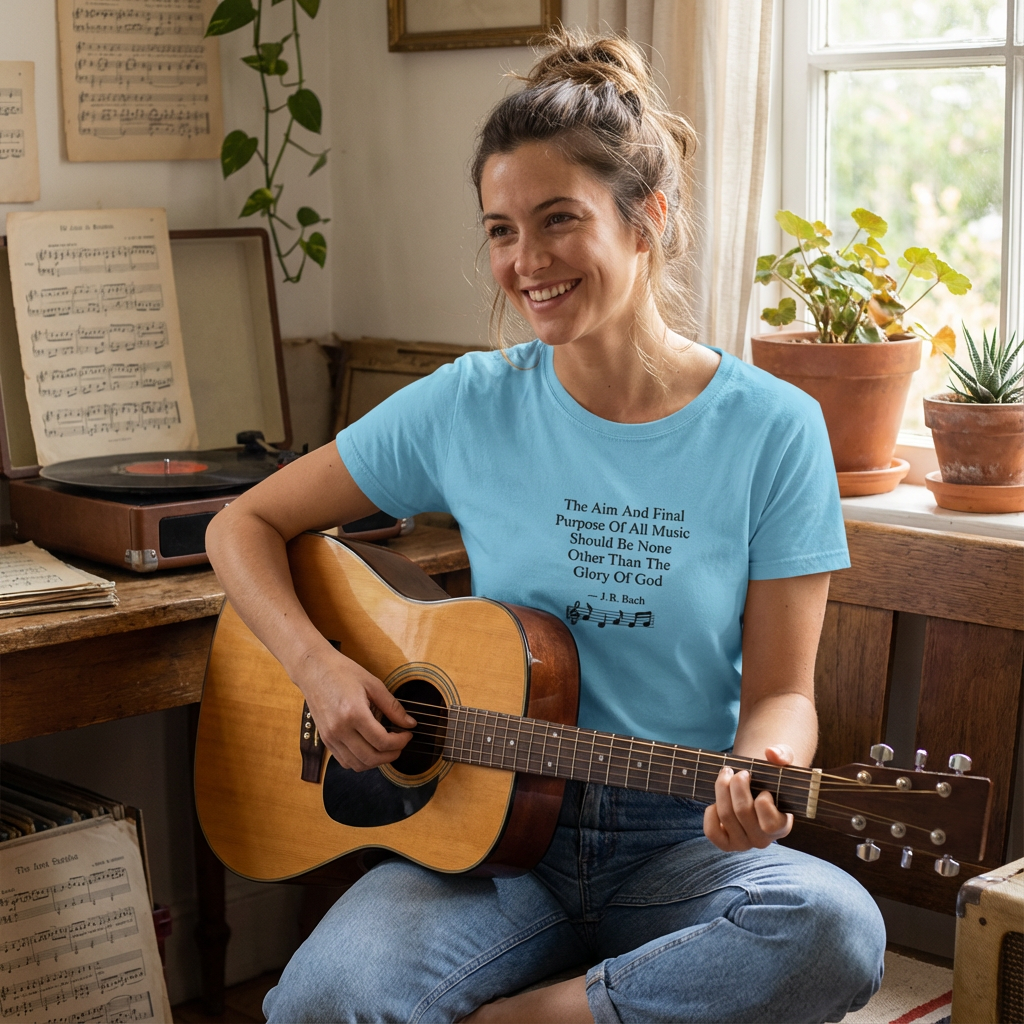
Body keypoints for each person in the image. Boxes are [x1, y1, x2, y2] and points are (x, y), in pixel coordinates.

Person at [206, 30, 886, 1024]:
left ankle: (536, 1017)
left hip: (682, 837)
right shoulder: (465, 404)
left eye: (557, 220)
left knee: (833, 930)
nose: (525, 262)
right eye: (499, 229)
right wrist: (317, 667)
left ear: (647, 217)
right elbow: (244, 525)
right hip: (481, 833)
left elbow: (784, 690)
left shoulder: (770, 427)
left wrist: (762, 771)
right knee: (320, 1002)